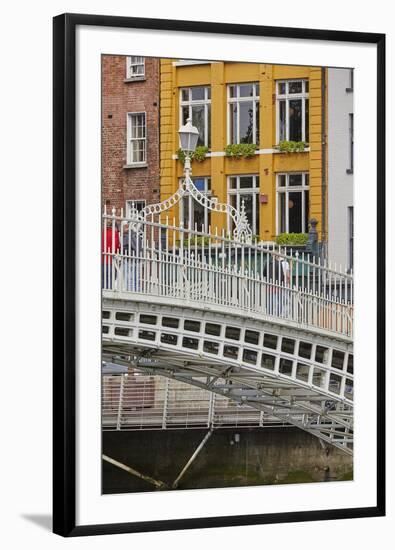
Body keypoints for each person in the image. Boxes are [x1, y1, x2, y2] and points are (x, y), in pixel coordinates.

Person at [263, 251, 291, 317]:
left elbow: (264, 273)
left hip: (269, 283)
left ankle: (269, 313)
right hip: (277, 284)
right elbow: (281, 275)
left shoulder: (267, 263)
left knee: (270, 299)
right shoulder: (279, 264)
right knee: (280, 300)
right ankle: (278, 314)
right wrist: (282, 282)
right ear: (277, 256)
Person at [101, 222, 120, 289]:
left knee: (102, 280)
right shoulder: (115, 234)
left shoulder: (102, 233)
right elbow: (116, 247)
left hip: (102, 260)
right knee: (110, 280)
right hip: (111, 260)